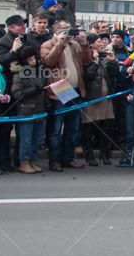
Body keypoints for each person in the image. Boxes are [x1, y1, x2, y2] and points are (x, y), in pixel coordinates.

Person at [40, 19, 94, 171]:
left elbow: (87, 60)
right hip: (60, 88)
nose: (67, 32)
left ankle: (68, 158)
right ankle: (54, 161)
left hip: (76, 88)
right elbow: (48, 62)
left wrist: (84, 43)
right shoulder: (47, 45)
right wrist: (59, 44)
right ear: (55, 30)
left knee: (72, 127)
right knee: (56, 128)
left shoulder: (75, 45)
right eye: (63, 29)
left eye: (69, 29)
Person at [81, 33, 117, 166]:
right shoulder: (85, 57)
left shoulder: (104, 56)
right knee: (89, 128)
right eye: (98, 41)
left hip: (105, 97)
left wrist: (112, 61)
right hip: (92, 97)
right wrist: (95, 62)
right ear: (91, 44)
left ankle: (105, 153)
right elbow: (87, 76)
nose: (101, 43)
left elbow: (114, 73)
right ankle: (89, 154)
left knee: (106, 127)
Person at [11, 46, 46, 174]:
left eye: (33, 57)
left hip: (39, 109)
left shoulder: (39, 71)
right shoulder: (19, 74)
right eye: (29, 58)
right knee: (26, 139)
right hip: (26, 111)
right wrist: (33, 90)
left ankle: (33, 160)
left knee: (36, 138)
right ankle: (23, 162)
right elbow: (17, 93)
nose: (32, 60)